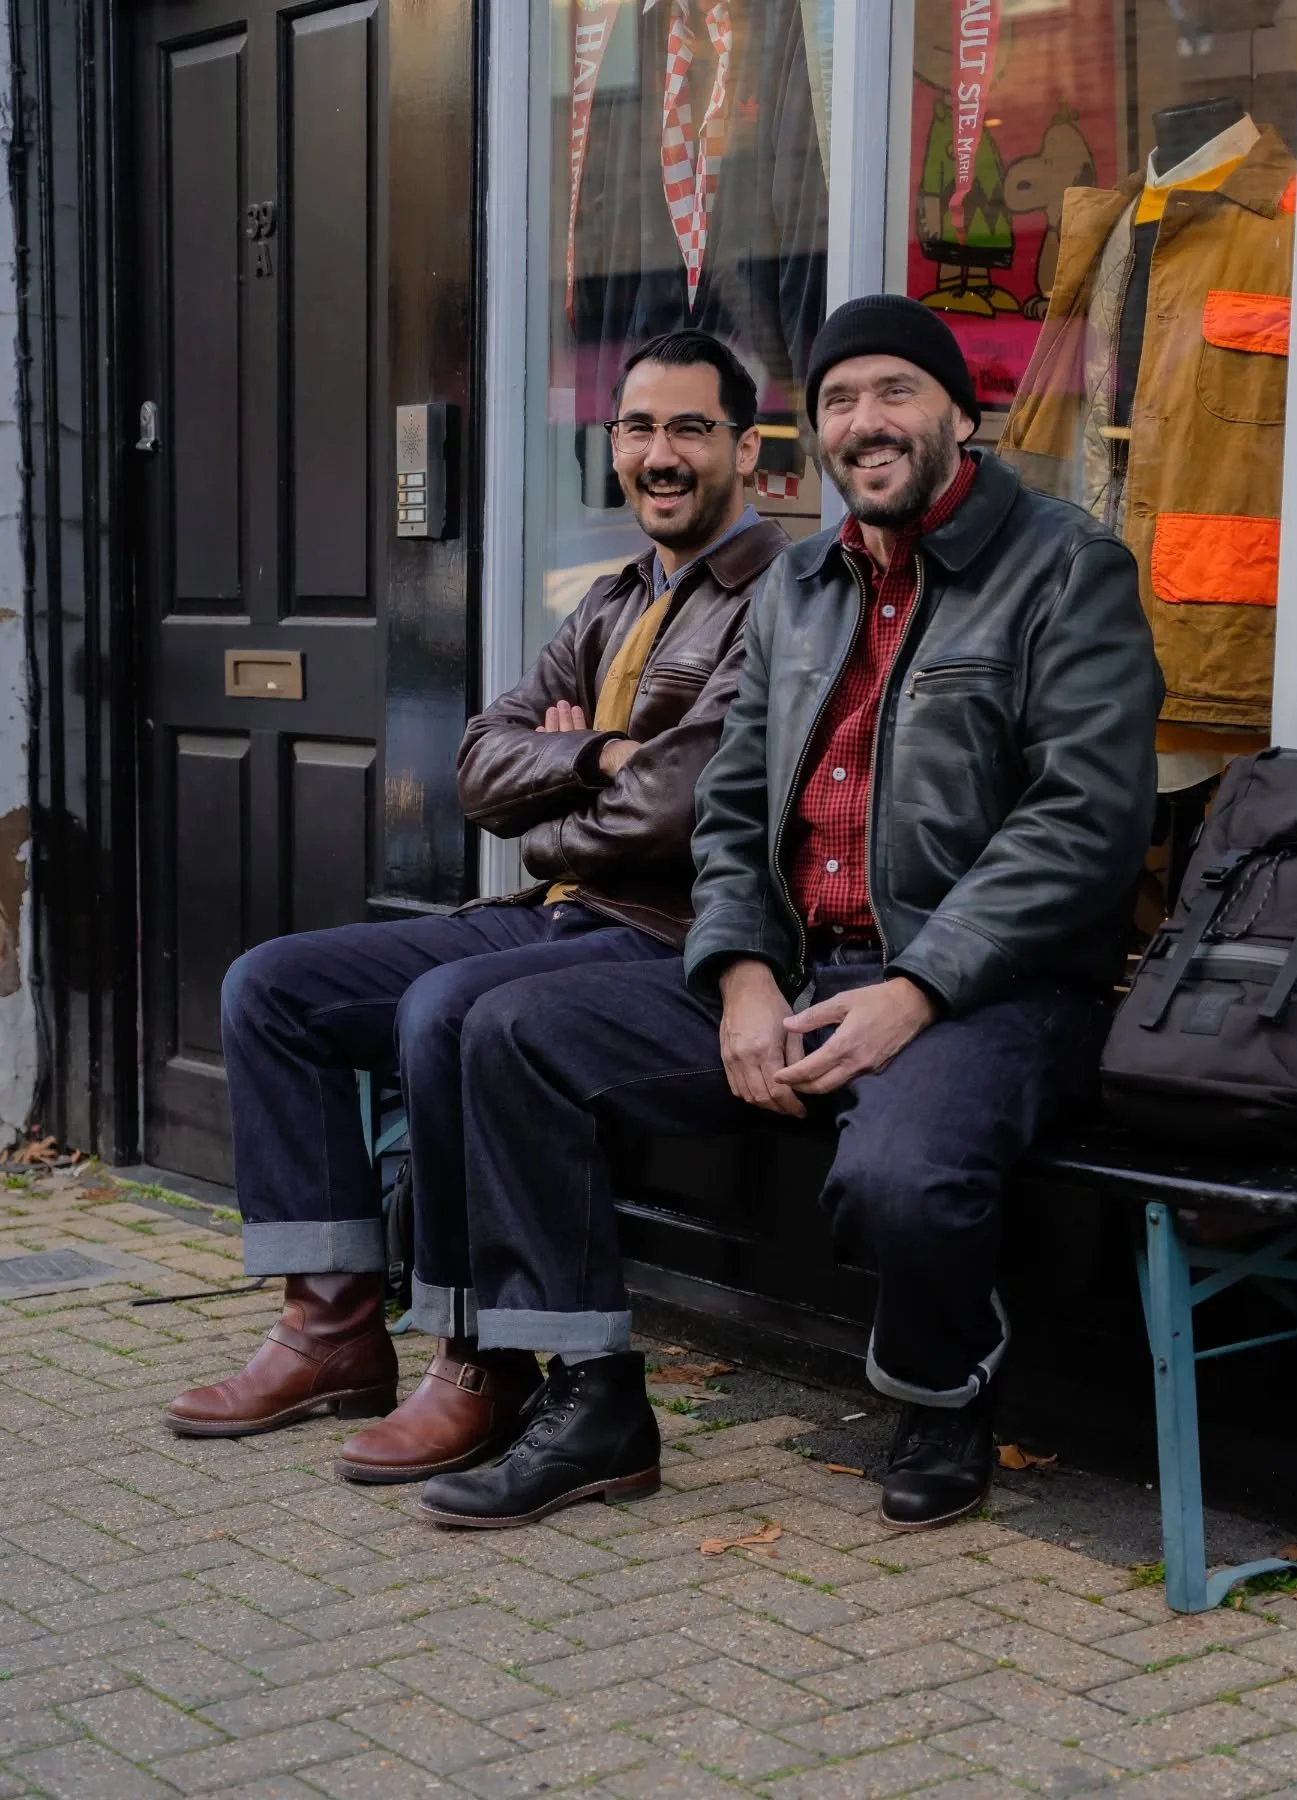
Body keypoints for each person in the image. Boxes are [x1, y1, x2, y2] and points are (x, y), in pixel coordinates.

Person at [413, 293, 1163, 1534]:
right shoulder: (801, 586)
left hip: (992, 983)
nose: (866, 423)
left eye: (895, 392)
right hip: (806, 968)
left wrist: (920, 988)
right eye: (838, 402)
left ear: (959, 415)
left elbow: (1083, 823)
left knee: (901, 1180)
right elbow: (732, 812)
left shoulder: (1067, 567)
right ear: (813, 434)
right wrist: (745, 976)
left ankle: (942, 1384)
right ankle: (592, 1399)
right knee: (513, 1036)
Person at [165, 331, 787, 1489]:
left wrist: (560, 789)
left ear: (748, 448)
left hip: (664, 935)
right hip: (553, 908)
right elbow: (474, 765)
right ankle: (333, 1329)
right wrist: (600, 757)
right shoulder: (613, 597)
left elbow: (685, 806)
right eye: (640, 429)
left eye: (691, 428)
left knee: (447, 1010)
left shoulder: (781, 598)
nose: (662, 454)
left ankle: (480, 1359)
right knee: (273, 987)